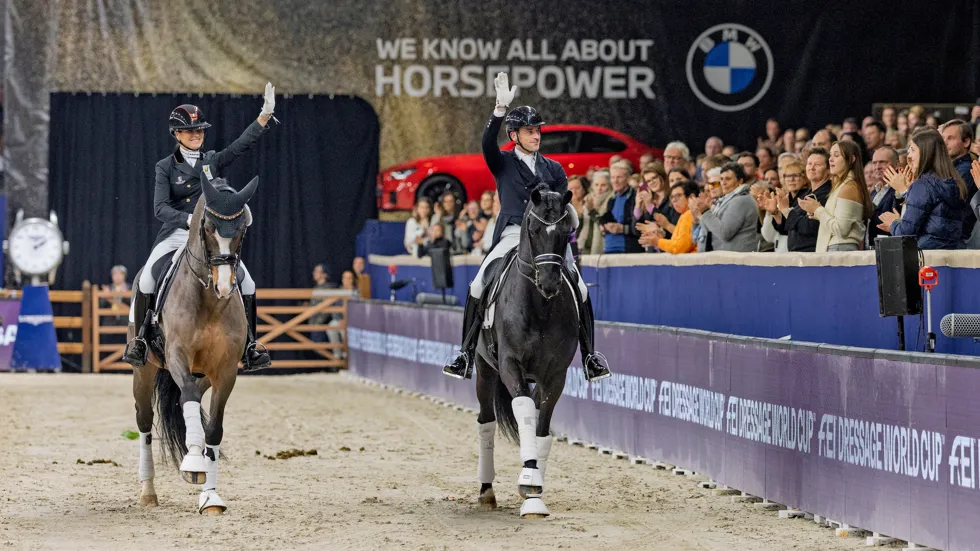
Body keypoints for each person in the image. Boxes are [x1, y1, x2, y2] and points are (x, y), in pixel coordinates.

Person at [441, 72, 611, 383]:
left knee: (581, 288)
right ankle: (465, 353)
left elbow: (561, 206)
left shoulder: (554, 168)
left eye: (537, 131)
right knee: (479, 284)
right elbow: (486, 143)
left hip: (548, 241)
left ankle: (590, 356)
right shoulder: (502, 163)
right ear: (515, 135)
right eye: (530, 131)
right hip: (511, 233)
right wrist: (498, 111)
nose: (536, 136)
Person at [124, 84, 277, 370]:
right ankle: (141, 340)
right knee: (146, 279)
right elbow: (160, 209)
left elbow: (240, 146)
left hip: (210, 236)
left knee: (248, 282)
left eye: (200, 130)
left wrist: (264, 116)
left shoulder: (211, 161)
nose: (196, 135)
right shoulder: (165, 167)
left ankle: (251, 345)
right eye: (190, 131)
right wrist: (190, 221)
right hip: (176, 234)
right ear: (177, 134)